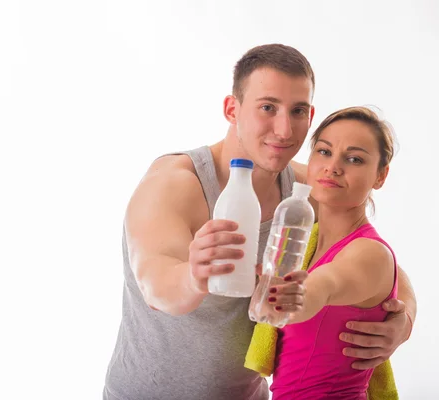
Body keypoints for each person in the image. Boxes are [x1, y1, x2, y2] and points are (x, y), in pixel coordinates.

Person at [103, 44, 417, 400]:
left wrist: (402, 322)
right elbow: (156, 284)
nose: (284, 130)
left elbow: (373, 257)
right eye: (268, 107)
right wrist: (195, 275)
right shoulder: (175, 184)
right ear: (231, 109)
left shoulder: (305, 191)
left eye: (297, 111)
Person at [264, 106, 402, 399]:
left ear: (381, 176)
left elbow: (326, 284)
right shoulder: (308, 240)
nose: (333, 167)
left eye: (354, 159)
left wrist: (298, 296)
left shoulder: (369, 253)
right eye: (324, 152)